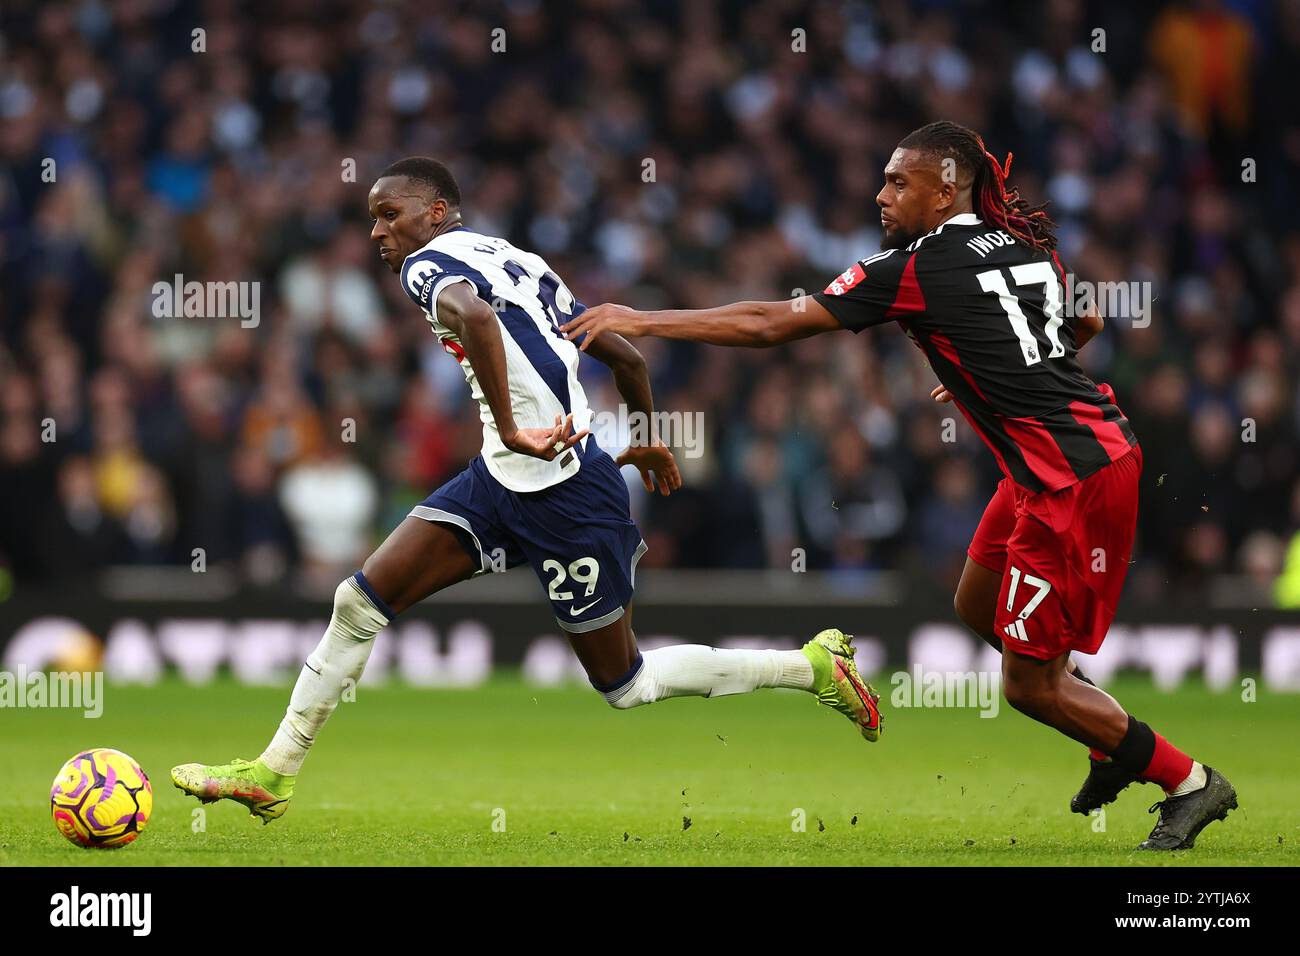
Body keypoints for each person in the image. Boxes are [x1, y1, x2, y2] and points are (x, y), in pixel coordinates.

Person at [562, 122, 1237, 851]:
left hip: (1073, 477)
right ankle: (1108, 741)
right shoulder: (1023, 245)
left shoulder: (917, 265)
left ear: (947, 188)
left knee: (1027, 688)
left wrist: (645, 319)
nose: (880, 194)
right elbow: (1087, 320)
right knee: (975, 601)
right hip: (1050, 462)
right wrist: (997, 367)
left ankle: (1188, 781)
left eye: (898, 182)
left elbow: (769, 323)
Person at [171, 157, 882, 823]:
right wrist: (644, 432)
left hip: (567, 489)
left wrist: (514, 428)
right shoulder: (518, 259)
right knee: (361, 602)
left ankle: (811, 665)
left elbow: (477, 319)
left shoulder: (425, 267)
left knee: (625, 685)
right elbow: (624, 353)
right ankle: (274, 771)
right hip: (503, 479)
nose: (377, 232)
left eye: (390, 215)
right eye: (373, 219)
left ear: (436, 212)